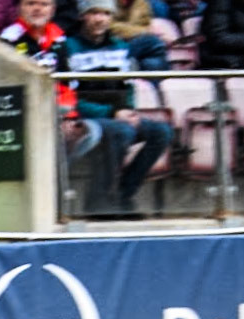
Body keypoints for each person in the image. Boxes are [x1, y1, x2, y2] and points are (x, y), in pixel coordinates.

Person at [59, 0, 174, 216]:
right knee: (122, 130)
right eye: (94, 13)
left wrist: (129, 110)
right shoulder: (68, 47)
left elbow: (127, 87)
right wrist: (112, 113)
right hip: (86, 116)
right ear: (83, 16)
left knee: (161, 132)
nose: (100, 19)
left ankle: (123, 195)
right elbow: (71, 98)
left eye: (105, 13)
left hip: (117, 115)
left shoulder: (120, 47)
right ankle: (99, 202)